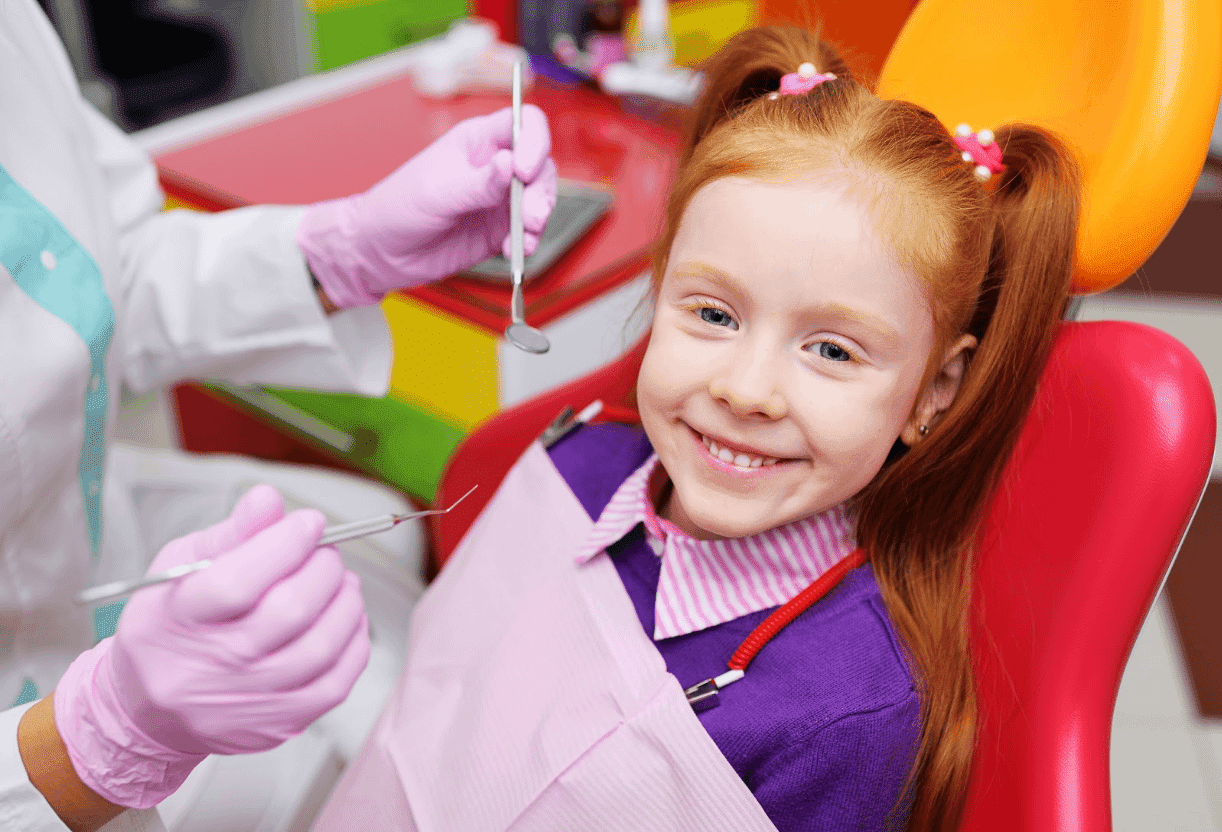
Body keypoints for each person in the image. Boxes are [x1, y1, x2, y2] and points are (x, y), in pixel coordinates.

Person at [309, 24, 1083, 832]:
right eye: (713, 312)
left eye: (832, 350)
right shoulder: (578, 458)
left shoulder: (844, 715)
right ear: (662, 284)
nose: (746, 390)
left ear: (935, 389)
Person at [0, 1, 557, 830]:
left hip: (80, 556)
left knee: (388, 581)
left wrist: (340, 252)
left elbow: (94, 269)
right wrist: (85, 746)